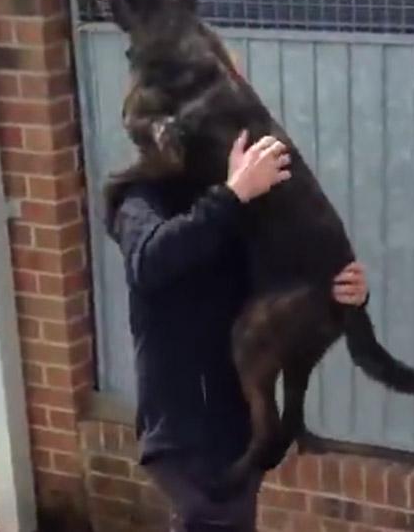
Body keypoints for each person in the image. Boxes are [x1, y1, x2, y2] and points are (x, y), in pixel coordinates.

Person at [108, 130, 369, 532]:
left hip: (238, 425)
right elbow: (150, 261)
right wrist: (233, 195)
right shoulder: (143, 200)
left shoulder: (241, 206)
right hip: (183, 429)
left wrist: (340, 293)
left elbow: (275, 294)